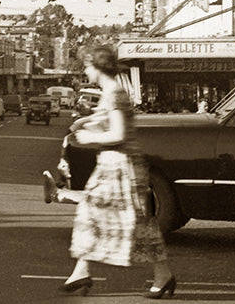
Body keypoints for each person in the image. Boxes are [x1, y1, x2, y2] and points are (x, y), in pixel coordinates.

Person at [57, 45, 175, 298]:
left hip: (122, 168)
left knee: (133, 224)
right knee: (96, 215)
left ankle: (162, 275)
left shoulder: (115, 93)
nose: (85, 71)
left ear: (97, 66)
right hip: (114, 167)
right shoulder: (111, 91)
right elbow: (106, 117)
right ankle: (82, 270)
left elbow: (119, 133)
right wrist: (85, 120)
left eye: (87, 66)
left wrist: (87, 138)